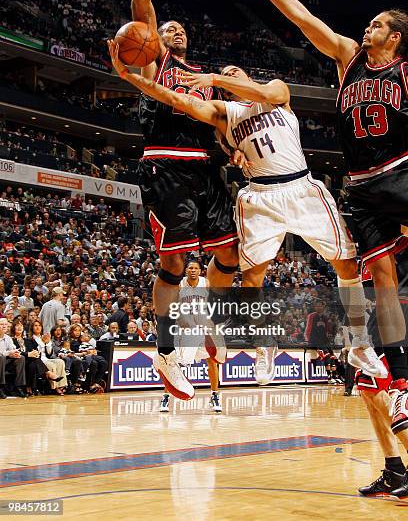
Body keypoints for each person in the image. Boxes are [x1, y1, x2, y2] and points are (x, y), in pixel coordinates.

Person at [108, 43, 384, 387]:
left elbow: (256, 89)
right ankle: (264, 342)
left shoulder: (275, 91)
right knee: (252, 277)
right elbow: (181, 101)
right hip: (259, 197)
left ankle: (358, 342)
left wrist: (216, 77)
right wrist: (132, 78)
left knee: (347, 263)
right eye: (225, 77)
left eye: (233, 72)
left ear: (246, 75)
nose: (229, 76)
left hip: (302, 188)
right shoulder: (226, 113)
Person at [237, 0, 408, 498]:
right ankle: (399, 394)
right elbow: (305, 19)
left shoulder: (405, 71)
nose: (368, 28)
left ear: (397, 36)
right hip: (360, 185)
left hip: (401, 172)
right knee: (375, 272)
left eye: (378, 24)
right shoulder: (349, 59)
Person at [129, 0, 239, 400]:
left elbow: (222, 120)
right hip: (166, 163)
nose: (172, 30)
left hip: (206, 169)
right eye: (166, 27)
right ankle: (167, 349)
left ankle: (210, 320)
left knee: (230, 253)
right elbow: (140, 0)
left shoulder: (205, 76)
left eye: (178, 28)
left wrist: (233, 144)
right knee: (174, 258)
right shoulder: (155, 61)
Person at [159, 260, 223, 413]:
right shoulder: (179, 284)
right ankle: (166, 397)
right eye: (190, 268)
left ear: (200, 270)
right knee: (172, 362)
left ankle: (215, 395)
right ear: (186, 270)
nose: (193, 270)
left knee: (212, 361)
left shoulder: (206, 283)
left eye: (196, 268)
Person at [0, 317, 27, 398]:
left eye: (5, 324)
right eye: (1, 324)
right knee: (1, 358)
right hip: (1, 361)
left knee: (21, 358)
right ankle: (1, 386)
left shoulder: (8, 338)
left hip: (5, 363)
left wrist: (15, 353)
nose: (4, 326)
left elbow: (12, 349)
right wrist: (9, 353)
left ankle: (18, 387)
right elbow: (3, 353)